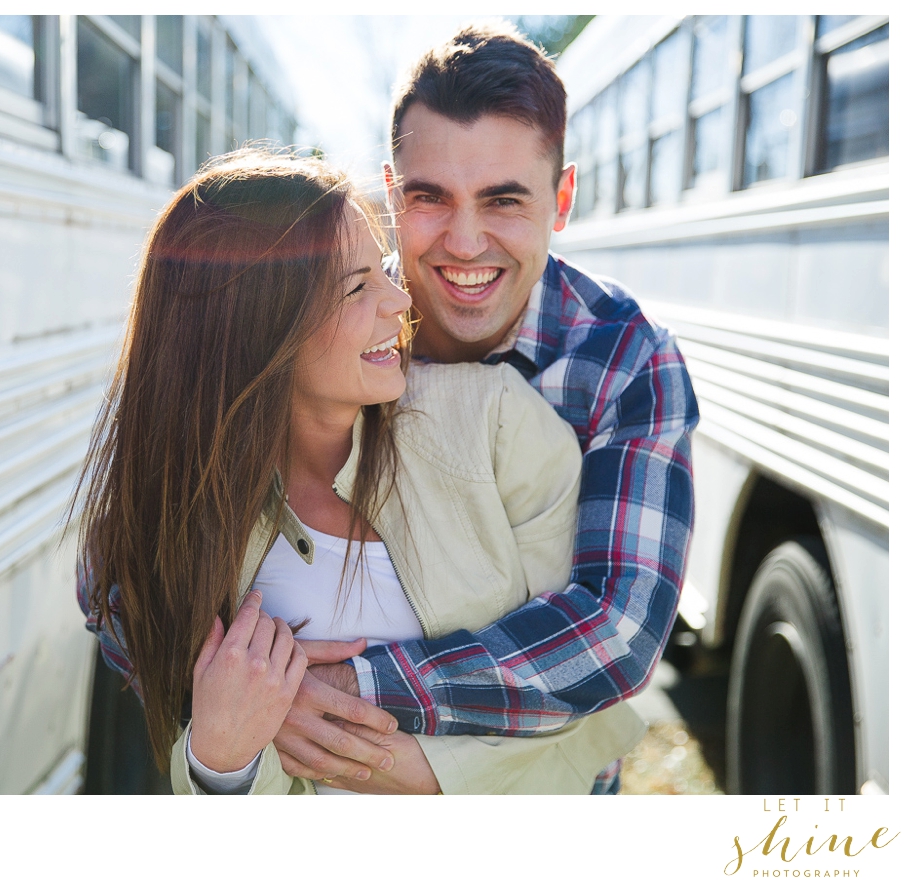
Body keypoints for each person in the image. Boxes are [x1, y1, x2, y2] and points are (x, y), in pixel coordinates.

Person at [74, 149, 645, 794]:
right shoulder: (172, 535)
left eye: (383, 271)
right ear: (255, 330)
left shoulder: (495, 424)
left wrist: (418, 772)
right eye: (356, 286)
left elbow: (586, 703)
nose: (399, 300)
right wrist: (222, 759)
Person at [267, 21, 699, 795]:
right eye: (431, 198)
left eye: (504, 200)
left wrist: (353, 691)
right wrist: (249, 693)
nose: (465, 243)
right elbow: (121, 579)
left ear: (561, 198)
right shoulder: (313, 328)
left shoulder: (625, 361)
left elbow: (618, 631)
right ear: (392, 197)